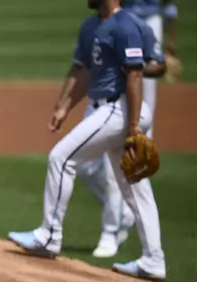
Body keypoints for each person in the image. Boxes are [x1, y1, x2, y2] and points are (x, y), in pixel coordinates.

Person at [7, 0, 166, 281]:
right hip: (111, 109)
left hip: (120, 110)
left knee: (62, 157)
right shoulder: (94, 25)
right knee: (135, 190)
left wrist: (132, 128)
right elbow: (85, 73)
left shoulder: (126, 25)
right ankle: (154, 260)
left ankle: (49, 235)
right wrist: (64, 108)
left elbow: (136, 75)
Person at [75, 0, 177, 258]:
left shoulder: (139, 26)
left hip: (145, 24)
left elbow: (159, 61)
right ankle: (125, 213)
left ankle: (111, 231)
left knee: (120, 156)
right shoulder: (98, 23)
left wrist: (136, 65)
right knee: (85, 165)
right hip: (102, 86)